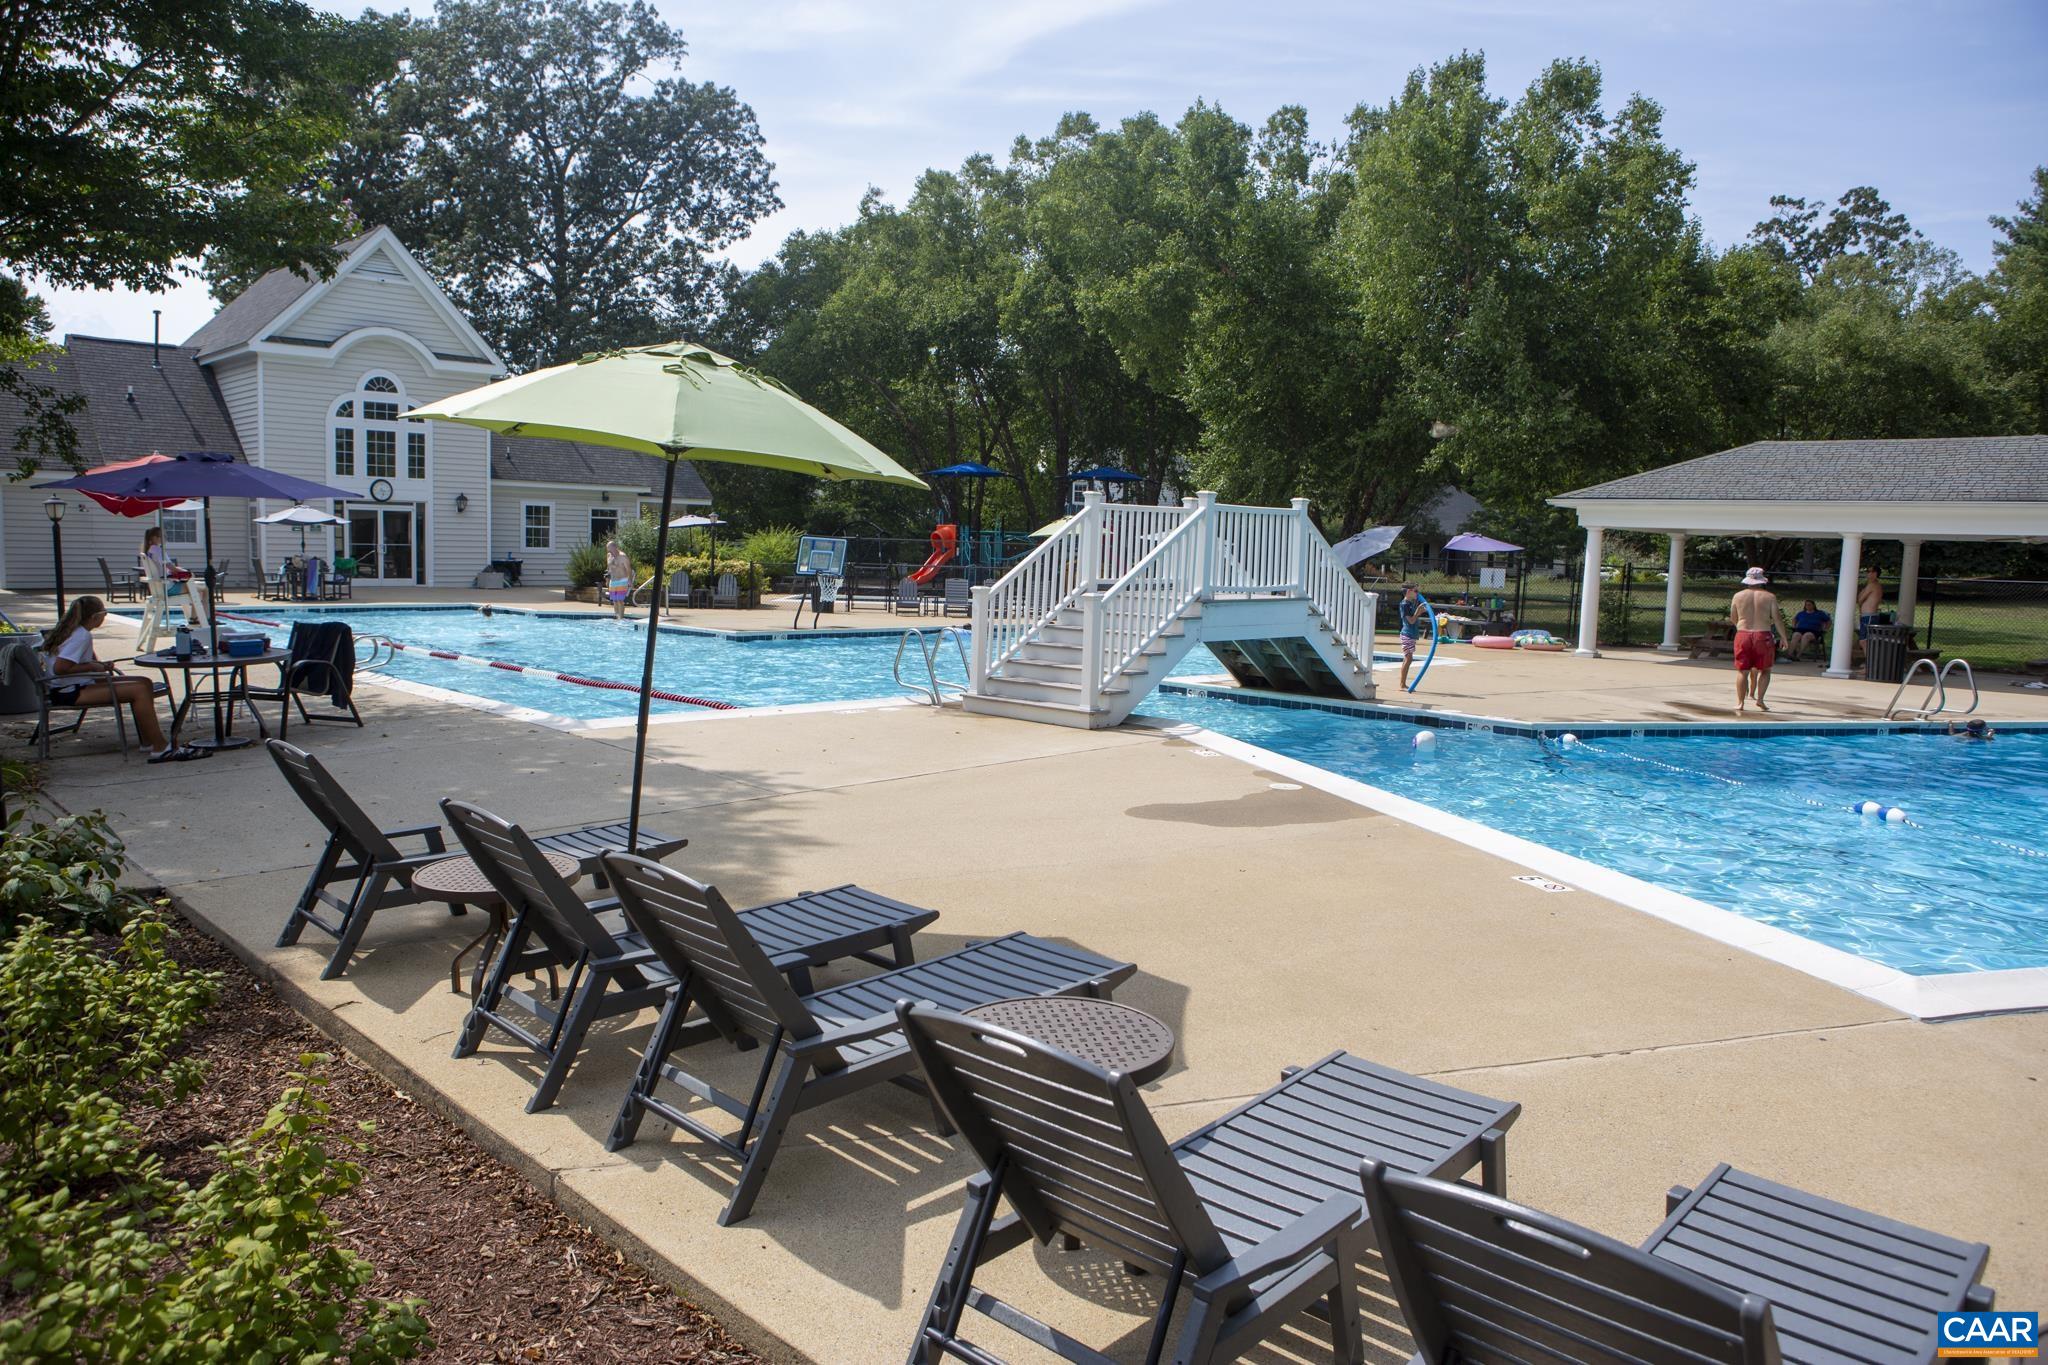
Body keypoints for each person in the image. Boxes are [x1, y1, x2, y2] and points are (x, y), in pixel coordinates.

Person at [42, 596, 207, 763]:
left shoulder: (72, 630)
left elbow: (70, 663)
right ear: (95, 617)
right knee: (139, 690)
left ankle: (148, 741)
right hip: (69, 691)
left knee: (144, 682)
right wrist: (93, 667)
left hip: (74, 685)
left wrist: (97, 665)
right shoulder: (81, 635)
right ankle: (161, 748)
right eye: (104, 614)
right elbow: (61, 668)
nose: (105, 617)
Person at [1729, 567, 1788, 715]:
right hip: (1763, 635)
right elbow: (1777, 618)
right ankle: (1760, 699)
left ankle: (1740, 702)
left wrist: (1740, 627)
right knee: (1765, 670)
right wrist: (1784, 637)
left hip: (1743, 634)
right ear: (1762, 580)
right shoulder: (1769, 597)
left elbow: (1733, 617)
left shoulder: (1738, 596)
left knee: (1742, 671)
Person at [1397, 583, 1430, 690]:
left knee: (1407, 659)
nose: (1418, 593)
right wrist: (1418, 612)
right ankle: (1402, 684)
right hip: (1407, 634)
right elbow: (1411, 621)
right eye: (1415, 591)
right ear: (1408, 592)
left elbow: (1414, 617)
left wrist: (1420, 611)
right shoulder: (1404, 604)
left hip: (1411, 635)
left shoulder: (1410, 603)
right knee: (1408, 658)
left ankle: (1402, 684)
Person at [605, 540, 633, 620]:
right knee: (614, 600)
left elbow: (629, 569)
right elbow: (609, 568)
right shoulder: (609, 556)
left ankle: (621, 618)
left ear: (615, 547)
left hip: (622, 580)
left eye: (611, 549)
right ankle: (617, 617)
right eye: (608, 550)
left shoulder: (623, 557)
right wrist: (607, 578)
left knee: (620, 600)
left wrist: (630, 580)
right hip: (613, 581)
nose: (610, 552)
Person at [1857, 566, 1885, 640]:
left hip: (1869, 616)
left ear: (1875, 574)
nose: (1868, 573)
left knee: (1864, 641)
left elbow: (1860, 599)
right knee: (1866, 641)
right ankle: (1870, 651)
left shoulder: (1872, 585)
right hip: (1868, 616)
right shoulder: (1873, 585)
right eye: (1867, 571)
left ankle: (1869, 652)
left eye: (1870, 571)